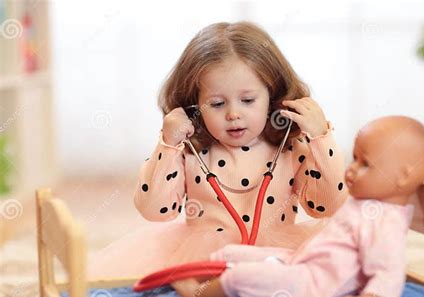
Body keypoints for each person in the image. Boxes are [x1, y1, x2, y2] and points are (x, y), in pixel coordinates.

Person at [88, 21, 347, 279]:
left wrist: (321, 138)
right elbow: (154, 211)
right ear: (193, 105)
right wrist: (168, 145)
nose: (233, 114)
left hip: (274, 261)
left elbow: (328, 207)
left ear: (273, 97)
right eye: (217, 103)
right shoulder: (189, 152)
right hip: (204, 264)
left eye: (248, 100)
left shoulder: (292, 149)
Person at [174, 116, 424, 297]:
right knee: (236, 252)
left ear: (403, 177)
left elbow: (389, 267)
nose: (352, 169)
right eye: (354, 158)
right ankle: (215, 269)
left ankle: (201, 296)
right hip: (303, 260)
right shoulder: (365, 202)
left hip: (315, 282)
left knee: (247, 276)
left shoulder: (385, 220)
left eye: (365, 164)